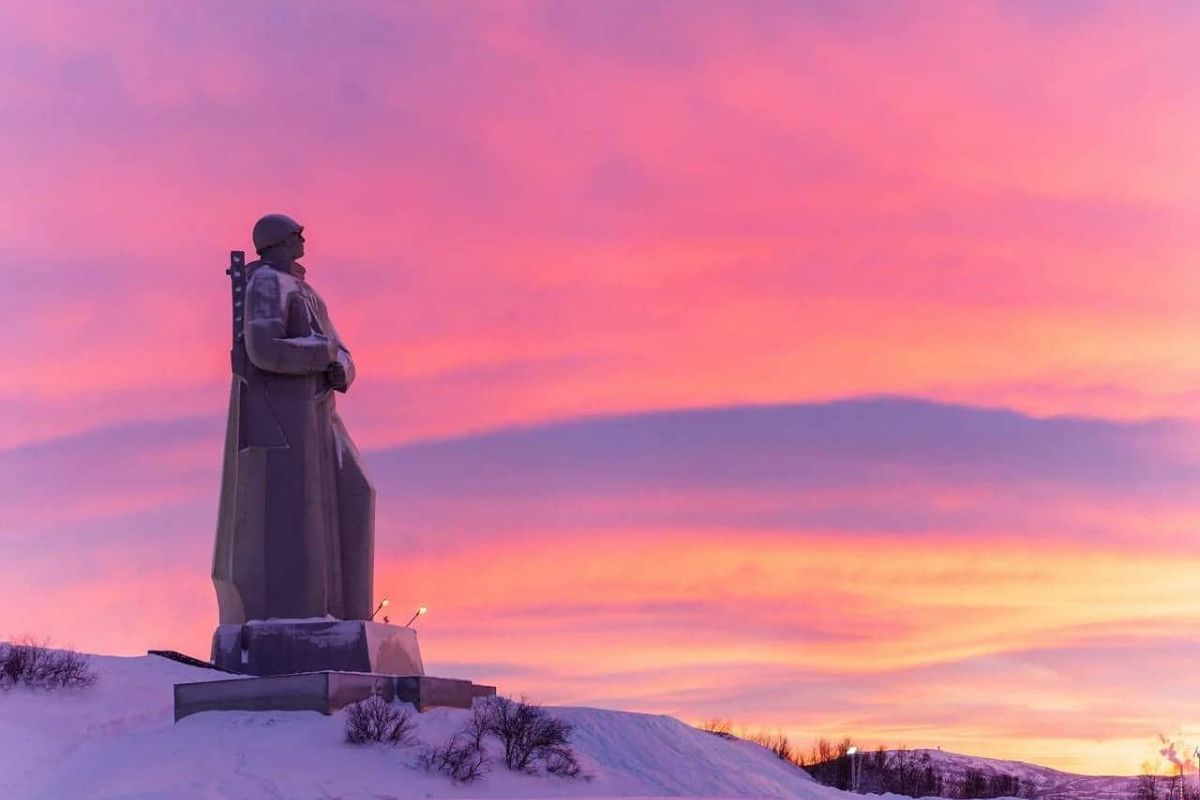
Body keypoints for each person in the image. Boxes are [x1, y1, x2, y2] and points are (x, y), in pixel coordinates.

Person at [212, 214, 375, 623]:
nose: (304, 239)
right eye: (297, 234)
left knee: (357, 491)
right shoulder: (266, 283)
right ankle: (307, 614)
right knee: (296, 514)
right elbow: (264, 348)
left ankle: (349, 615)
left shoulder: (307, 290)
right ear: (279, 241)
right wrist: (320, 355)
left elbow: (341, 349)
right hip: (286, 415)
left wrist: (343, 369)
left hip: (321, 412)